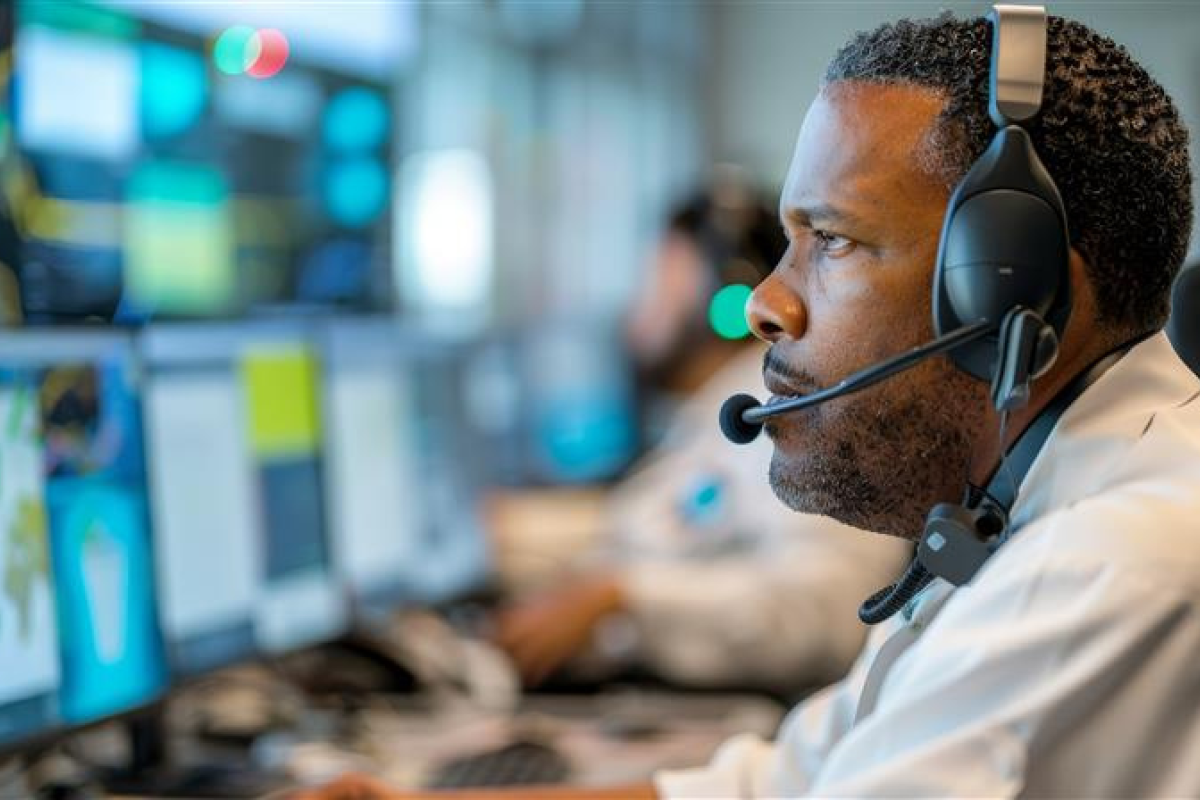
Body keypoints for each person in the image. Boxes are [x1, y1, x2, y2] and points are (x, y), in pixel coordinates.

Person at [300, 7, 1199, 798]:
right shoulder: (1026, 514)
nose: (766, 303)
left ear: (1010, 290)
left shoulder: (1099, 564)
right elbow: (786, 781)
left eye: (831, 240)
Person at [493, 182, 910, 694]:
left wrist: (624, 598)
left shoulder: (781, 406)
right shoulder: (726, 404)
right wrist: (514, 533)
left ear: (717, 291)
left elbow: (831, 604)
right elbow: (672, 523)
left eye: (659, 275)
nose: (639, 303)